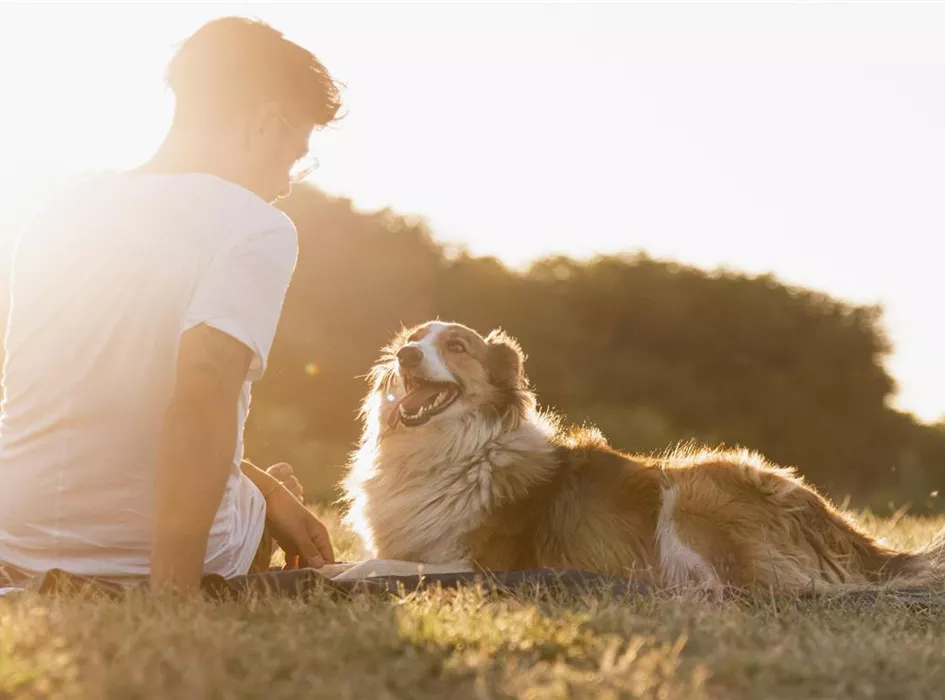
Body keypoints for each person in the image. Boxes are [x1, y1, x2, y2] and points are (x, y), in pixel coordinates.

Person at [0, 16, 341, 593]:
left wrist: (260, 485)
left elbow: (93, 408)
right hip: (142, 563)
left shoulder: (59, 212)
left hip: (14, 540)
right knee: (265, 491)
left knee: (262, 484)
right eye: (295, 157)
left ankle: (257, 491)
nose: (287, 183)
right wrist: (174, 598)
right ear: (264, 124)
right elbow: (205, 387)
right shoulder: (256, 227)